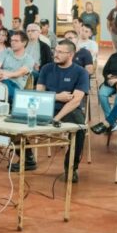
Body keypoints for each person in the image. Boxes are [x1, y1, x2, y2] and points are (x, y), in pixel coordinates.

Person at [35, 39, 90, 182]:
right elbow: (38, 94)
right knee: (19, 121)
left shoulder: (81, 72)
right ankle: (27, 158)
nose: (55, 54)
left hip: (69, 110)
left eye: (60, 52)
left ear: (70, 54)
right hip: (46, 106)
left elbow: (76, 100)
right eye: (55, 51)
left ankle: (71, 168)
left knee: (79, 129)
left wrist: (56, 118)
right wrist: (57, 96)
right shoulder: (46, 68)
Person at [0, 30, 34, 102]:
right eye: (12, 40)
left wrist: (3, 73)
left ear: (24, 43)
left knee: (4, 85)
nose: (12, 42)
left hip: (16, 86)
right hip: (0, 81)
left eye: (16, 41)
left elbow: (17, 74)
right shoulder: (6, 52)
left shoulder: (29, 59)